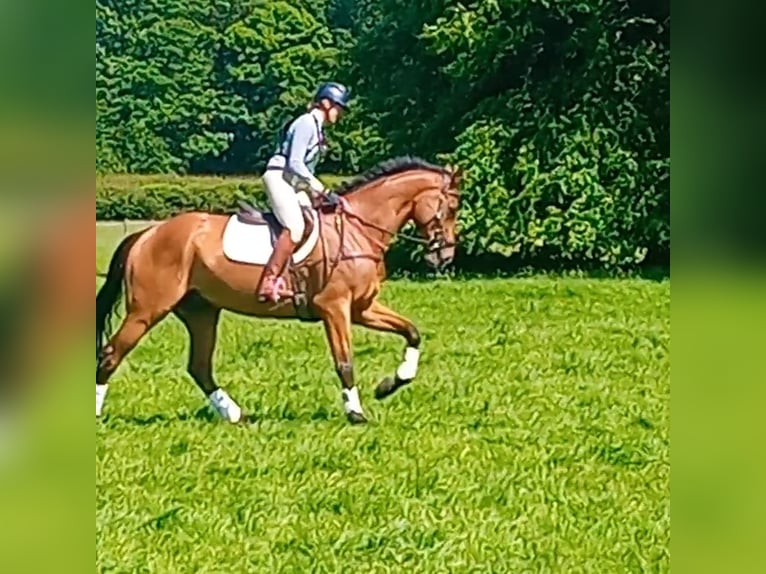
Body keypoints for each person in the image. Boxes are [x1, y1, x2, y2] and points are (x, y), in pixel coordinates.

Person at [256, 81, 350, 303]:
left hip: (293, 182)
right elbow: (295, 163)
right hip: (280, 177)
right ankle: (269, 281)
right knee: (295, 227)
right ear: (326, 103)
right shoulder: (306, 123)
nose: (341, 113)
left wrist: (316, 193)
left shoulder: (317, 128)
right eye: (339, 107)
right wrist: (321, 188)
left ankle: (297, 277)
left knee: (314, 220)